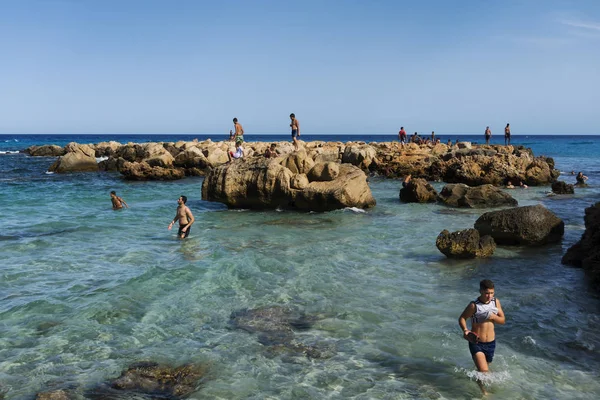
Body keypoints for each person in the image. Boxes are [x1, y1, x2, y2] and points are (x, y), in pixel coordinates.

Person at [458, 279, 505, 395]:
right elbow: (462, 318)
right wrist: (465, 330)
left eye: (492, 293)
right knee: (484, 371)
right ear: (480, 291)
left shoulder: (495, 302)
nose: (489, 296)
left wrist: (493, 317)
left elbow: (503, 320)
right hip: (476, 342)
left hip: (491, 343)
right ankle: (484, 393)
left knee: (483, 371)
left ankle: (477, 379)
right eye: (487, 293)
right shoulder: (474, 306)